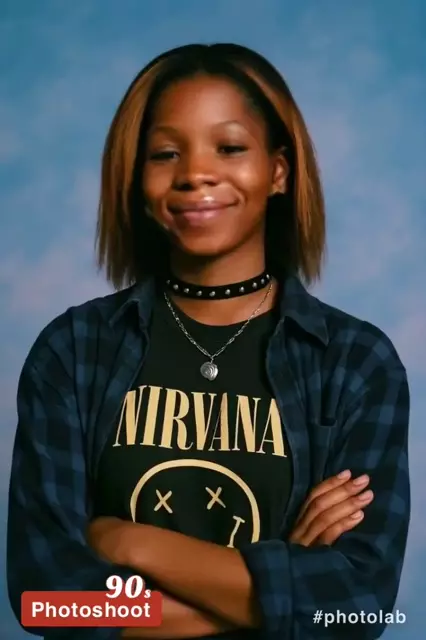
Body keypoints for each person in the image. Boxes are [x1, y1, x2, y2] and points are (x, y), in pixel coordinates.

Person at [7, 43, 410, 640]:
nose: (195, 173)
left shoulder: (355, 362)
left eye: (229, 147)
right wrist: (278, 593)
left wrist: (129, 541)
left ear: (278, 171)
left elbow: (358, 609)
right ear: (137, 178)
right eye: (166, 153)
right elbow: (47, 602)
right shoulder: (73, 350)